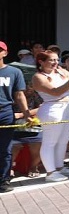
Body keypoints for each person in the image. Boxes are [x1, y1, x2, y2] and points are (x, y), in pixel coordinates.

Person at [32, 50, 69, 182]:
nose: (55, 62)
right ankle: (50, 172)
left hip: (68, 107)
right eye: (51, 60)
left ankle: (59, 167)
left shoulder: (62, 72)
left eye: (56, 59)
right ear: (41, 62)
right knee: (50, 142)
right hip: (52, 109)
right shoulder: (38, 77)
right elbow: (55, 92)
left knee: (63, 141)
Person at [0, 40, 31, 193]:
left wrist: (26, 114)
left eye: (0, 50)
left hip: (5, 112)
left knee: (5, 148)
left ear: (5, 53)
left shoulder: (14, 72)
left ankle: (4, 179)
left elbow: (19, 95)